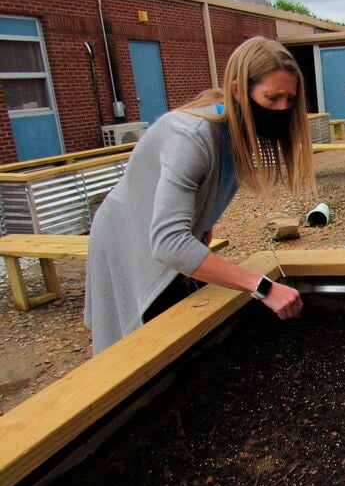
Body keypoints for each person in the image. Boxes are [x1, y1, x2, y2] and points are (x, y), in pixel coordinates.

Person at [85, 37, 316, 355]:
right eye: (272, 98)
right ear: (238, 91)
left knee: (177, 328)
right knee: (138, 344)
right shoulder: (190, 136)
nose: (282, 108)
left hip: (162, 237)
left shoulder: (236, 133)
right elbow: (168, 243)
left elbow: (206, 187)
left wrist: (203, 221)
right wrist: (262, 287)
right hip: (127, 239)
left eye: (290, 99)